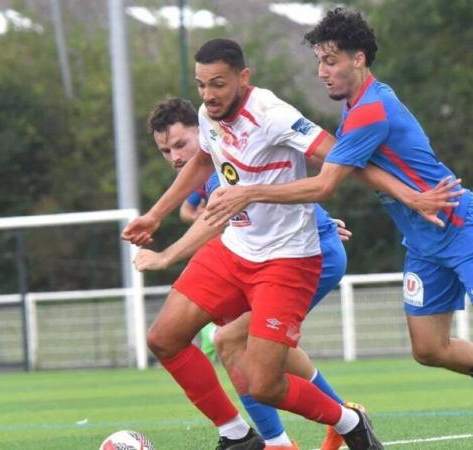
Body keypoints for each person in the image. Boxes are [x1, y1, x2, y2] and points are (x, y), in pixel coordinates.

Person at [204, 9, 473, 450]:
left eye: (331, 60)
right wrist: (403, 199)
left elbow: (326, 184)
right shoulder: (356, 112)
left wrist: (249, 193)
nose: (322, 72)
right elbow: (356, 174)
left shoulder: (370, 111)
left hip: (461, 227)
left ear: (358, 59)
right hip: (423, 241)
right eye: (319, 61)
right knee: (429, 348)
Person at [122, 38, 458, 449]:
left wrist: (409, 195)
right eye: (201, 85)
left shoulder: (273, 114)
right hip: (235, 250)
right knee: (165, 338)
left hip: (287, 262)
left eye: (218, 84)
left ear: (243, 78)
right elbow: (204, 159)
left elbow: (341, 157)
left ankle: (348, 421)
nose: (208, 96)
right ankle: (237, 436)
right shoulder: (208, 117)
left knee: (263, 382)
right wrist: (156, 214)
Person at [133, 96, 357, 450]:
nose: (175, 156)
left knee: (230, 341)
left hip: (307, 256)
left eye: (180, 144)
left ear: (201, 132)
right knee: (252, 347)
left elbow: (218, 219)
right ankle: (339, 419)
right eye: (165, 150)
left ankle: (282, 440)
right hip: (271, 256)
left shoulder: (222, 154)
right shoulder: (209, 170)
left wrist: (165, 256)